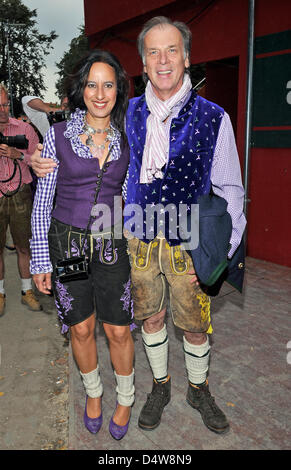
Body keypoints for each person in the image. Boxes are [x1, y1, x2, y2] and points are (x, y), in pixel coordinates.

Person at [30, 16, 247, 436]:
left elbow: (232, 187)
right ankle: (160, 387)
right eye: (153, 52)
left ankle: (199, 389)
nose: (163, 60)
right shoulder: (125, 115)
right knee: (148, 319)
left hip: (190, 238)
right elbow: (74, 141)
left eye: (171, 51)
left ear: (186, 57)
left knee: (196, 324)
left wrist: (226, 247)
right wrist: (40, 162)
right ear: (143, 64)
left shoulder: (214, 116)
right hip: (135, 236)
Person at [29, 49, 135, 440]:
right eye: (92, 84)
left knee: (119, 330)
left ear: (118, 90)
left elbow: (128, 196)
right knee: (81, 328)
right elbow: (43, 202)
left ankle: (125, 398)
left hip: (110, 244)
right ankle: (94, 394)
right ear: (81, 90)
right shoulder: (57, 136)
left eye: (109, 84)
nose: (100, 93)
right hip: (66, 243)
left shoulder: (126, 139)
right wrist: (39, 259)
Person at [0, 83, 42, 316]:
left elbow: (40, 159)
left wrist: (20, 155)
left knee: (24, 247)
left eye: (6, 104)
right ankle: (0, 292)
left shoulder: (24, 130)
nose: (3, 110)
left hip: (21, 193)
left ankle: (27, 291)